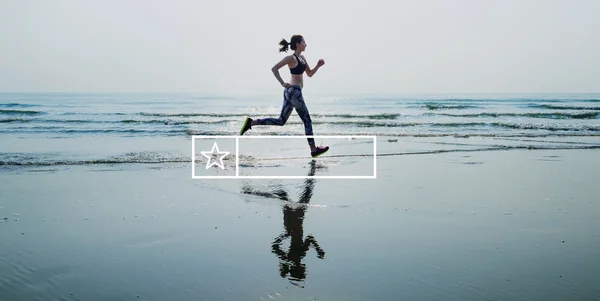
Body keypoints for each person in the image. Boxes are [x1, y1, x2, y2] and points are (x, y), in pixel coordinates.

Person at [239, 34, 329, 158]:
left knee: (281, 121)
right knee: (307, 120)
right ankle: (313, 149)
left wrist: (318, 66)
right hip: (293, 92)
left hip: (292, 93)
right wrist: (282, 83)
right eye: (304, 42)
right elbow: (274, 69)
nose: (306, 44)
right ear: (298, 44)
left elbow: (309, 74)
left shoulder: (302, 58)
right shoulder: (290, 58)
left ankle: (251, 123)